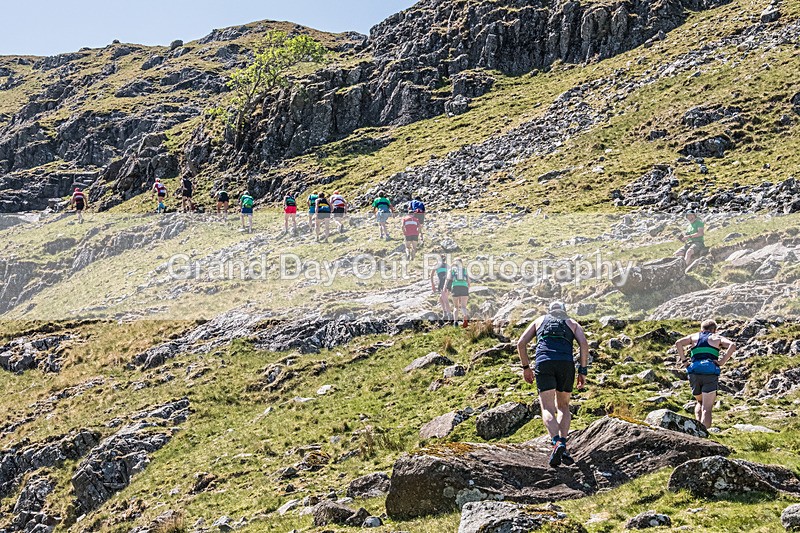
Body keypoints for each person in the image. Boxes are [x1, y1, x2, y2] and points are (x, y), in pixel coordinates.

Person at [517, 301, 589, 468]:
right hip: (565, 364)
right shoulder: (572, 323)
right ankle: (563, 444)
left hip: (544, 363)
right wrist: (582, 370)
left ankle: (556, 442)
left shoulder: (539, 320)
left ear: (550, 311)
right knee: (563, 406)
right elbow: (584, 344)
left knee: (547, 408)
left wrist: (526, 368)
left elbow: (521, 343)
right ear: (564, 311)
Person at [675, 319, 736, 430]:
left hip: (694, 372)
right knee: (707, 408)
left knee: (700, 401)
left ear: (701, 328)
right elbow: (732, 345)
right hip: (710, 374)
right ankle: (704, 432)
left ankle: (697, 430)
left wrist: (684, 361)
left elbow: (678, 343)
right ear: (714, 329)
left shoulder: (693, 337)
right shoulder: (717, 338)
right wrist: (722, 362)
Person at [448, 258, 470, 328]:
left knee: (456, 307)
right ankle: (465, 317)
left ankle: (455, 322)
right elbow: (468, 281)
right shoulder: (465, 270)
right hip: (464, 287)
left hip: (455, 287)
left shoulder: (452, 270)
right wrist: (467, 289)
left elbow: (449, 279)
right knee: (463, 307)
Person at [430, 255, 452, 320]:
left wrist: (432, 284)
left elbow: (431, 275)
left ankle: (449, 316)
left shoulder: (436, 265)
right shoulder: (447, 265)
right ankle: (445, 313)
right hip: (448, 283)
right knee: (441, 299)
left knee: (445, 300)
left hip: (443, 283)